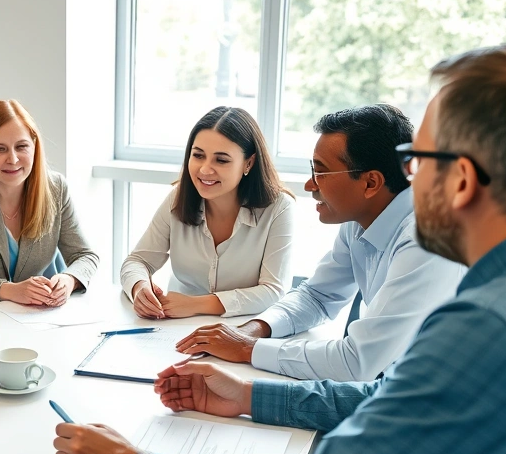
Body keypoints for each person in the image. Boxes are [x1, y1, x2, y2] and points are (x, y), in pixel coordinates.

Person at [52, 41, 506, 454]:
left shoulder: (492, 329)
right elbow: (394, 397)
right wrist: (250, 396)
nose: (408, 177)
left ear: (461, 180)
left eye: (417, 159)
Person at [176, 104, 465, 381]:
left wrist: (246, 349)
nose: (309, 185)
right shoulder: (361, 219)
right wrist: (253, 330)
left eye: (320, 172)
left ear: (370, 183)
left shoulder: (427, 240)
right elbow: (318, 297)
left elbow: (356, 362)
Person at [119, 107, 295, 319]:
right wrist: (140, 288)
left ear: (249, 162)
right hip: (173, 325)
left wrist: (195, 305)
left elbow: (274, 290)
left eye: (221, 160)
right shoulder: (177, 199)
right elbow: (137, 261)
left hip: (244, 329)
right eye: (198, 155)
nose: (204, 169)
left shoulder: (279, 208)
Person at [0, 100, 98, 304]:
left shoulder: (56, 189)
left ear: (34, 147)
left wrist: (69, 280)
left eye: (21, 146)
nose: (13, 159)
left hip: (40, 318)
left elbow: (85, 256)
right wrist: (9, 290)